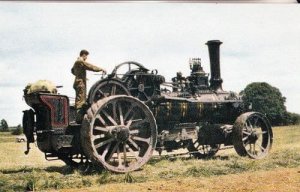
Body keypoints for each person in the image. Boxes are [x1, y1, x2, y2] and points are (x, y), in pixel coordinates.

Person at [71, 50, 106, 122]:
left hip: (77, 82)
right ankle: (79, 119)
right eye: (86, 56)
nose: (86, 58)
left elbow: (72, 71)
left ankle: (78, 117)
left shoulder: (76, 62)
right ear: (83, 55)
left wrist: (81, 76)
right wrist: (101, 69)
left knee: (79, 99)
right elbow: (90, 66)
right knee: (80, 101)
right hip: (81, 84)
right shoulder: (80, 61)